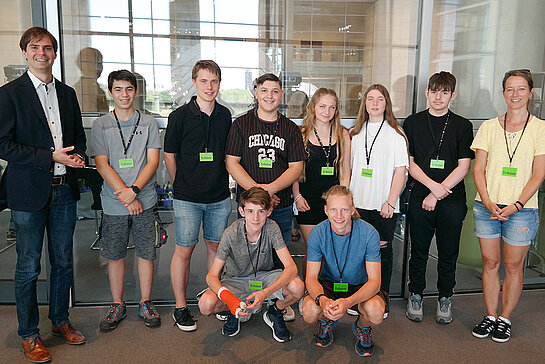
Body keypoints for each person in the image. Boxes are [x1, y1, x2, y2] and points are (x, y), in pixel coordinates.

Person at [0, 27, 87, 363]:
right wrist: (49, 156)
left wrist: (76, 155)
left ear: (55, 53)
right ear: (25, 52)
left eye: (48, 48)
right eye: (34, 47)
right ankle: (29, 334)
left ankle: (60, 321)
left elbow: (77, 136)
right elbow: (3, 145)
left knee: (63, 263)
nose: (42, 53)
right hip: (27, 195)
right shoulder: (9, 94)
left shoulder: (67, 94)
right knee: (28, 268)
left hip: (64, 191)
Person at [471, 69, 545, 343]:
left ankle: (505, 318)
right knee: (490, 263)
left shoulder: (540, 128)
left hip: (522, 210)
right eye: (510, 89)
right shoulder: (489, 127)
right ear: (503, 93)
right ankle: (491, 316)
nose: (515, 94)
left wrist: (516, 204)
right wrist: (488, 200)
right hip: (487, 206)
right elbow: (479, 169)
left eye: (521, 89)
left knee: (514, 267)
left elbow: (539, 173)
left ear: (530, 92)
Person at [164, 60, 232, 332]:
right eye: (204, 81)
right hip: (188, 198)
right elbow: (169, 155)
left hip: (218, 197)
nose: (209, 87)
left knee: (216, 250)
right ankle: (180, 307)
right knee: (184, 250)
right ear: (194, 82)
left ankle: (212, 299)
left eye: (214, 81)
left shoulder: (225, 115)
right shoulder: (179, 116)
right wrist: (182, 182)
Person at [91, 70, 162, 332]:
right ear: (111, 92)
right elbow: (101, 163)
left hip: (144, 199)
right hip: (114, 202)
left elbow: (153, 161)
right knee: (115, 254)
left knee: (146, 252)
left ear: (136, 92)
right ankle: (117, 304)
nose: (124, 94)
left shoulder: (149, 123)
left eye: (129, 89)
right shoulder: (101, 125)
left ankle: (145, 302)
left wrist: (135, 190)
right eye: (118, 89)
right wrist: (126, 194)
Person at [403, 71, 474, 324]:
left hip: (452, 198)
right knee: (419, 250)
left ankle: (445, 297)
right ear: (427, 92)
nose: (438, 97)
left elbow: (464, 166)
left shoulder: (463, 125)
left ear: (452, 95)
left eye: (444, 92)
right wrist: (434, 189)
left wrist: (439, 191)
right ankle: (416, 294)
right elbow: (409, 163)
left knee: (448, 252)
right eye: (434, 91)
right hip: (422, 193)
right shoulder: (412, 123)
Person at [198, 187, 304, 342]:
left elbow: (291, 268)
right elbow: (212, 276)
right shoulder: (230, 233)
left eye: (260, 211)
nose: (255, 218)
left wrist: (265, 293)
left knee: (298, 288)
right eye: (250, 211)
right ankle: (234, 310)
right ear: (241, 211)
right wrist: (231, 301)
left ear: (268, 212)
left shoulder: (272, 227)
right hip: (236, 279)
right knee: (206, 304)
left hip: (264, 278)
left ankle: (275, 311)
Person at [302, 185, 384, 357]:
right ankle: (326, 321)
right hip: (329, 285)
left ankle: (362, 327)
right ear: (326, 210)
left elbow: (375, 281)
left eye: (344, 210)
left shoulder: (369, 233)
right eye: (333, 209)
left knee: (376, 312)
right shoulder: (317, 233)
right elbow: (310, 277)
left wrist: (348, 302)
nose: (338, 216)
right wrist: (322, 300)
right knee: (309, 311)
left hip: (359, 286)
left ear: (352, 210)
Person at [226, 73, 305, 249]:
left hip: (281, 204)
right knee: (247, 253)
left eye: (275, 91)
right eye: (264, 90)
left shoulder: (291, 129)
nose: (269, 96)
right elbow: (231, 163)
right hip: (249, 205)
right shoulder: (240, 124)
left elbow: (296, 167)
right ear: (255, 92)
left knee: (280, 255)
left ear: (282, 94)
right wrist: (261, 193)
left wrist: (270, 190)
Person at [349, 84, 408, 318]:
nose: (374, 103)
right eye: (370, 99)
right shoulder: (355, 133)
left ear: (387, 104)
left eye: (380, 99)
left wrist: (391, 202)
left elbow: (401, 170)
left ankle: (381, 296)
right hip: (358, 203)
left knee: (382, 250)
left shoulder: (396, 133)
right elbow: (351, 170)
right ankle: (359, 297)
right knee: (359, 251)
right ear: (364, 103)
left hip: (384, 205)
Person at [293, 88, 351, 276]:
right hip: (307, 201)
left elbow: (345, 171)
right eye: (322, 106)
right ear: (313, 107)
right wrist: (297, 196)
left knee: (332, 251)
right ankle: (308, 293)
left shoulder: (343, 134)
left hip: (334, 204)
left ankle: (326, 292)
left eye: (332, 107)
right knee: (313, 250)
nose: (327, 111)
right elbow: (294, 171)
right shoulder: (301, 134)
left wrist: (343, 203)